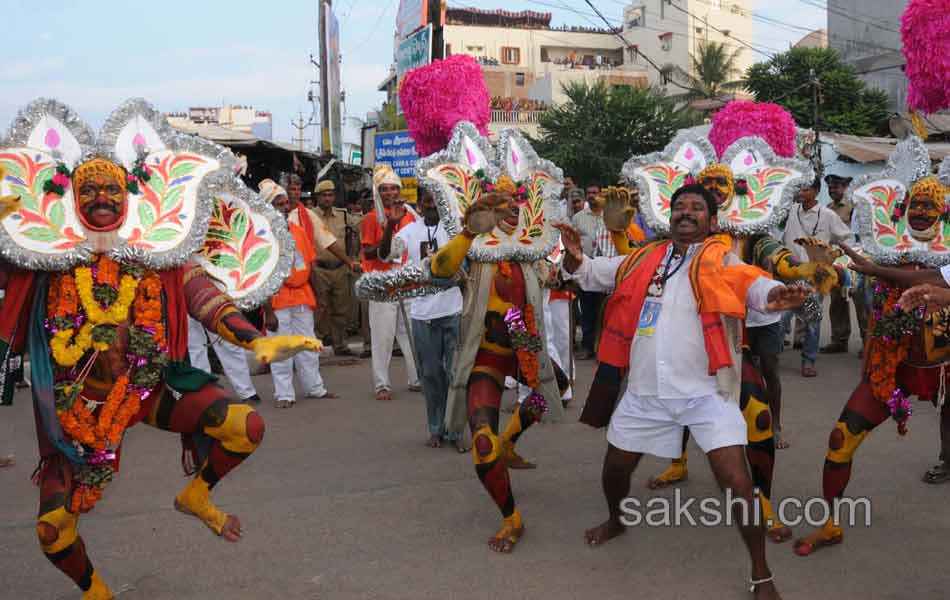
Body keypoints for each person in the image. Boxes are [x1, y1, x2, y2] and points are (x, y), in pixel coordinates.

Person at [0, 100, 321, 600]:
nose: (103, 197)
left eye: (113, 189)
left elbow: (206, 299)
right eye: (90, 189)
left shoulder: (157, 256)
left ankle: (197, 494)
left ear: (130, 200)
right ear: (71, 198)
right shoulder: (46, 261)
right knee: (52, 530)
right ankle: (96, 592)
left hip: (147, 386)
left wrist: (257, 339)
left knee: (246, 427)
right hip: (77, 406)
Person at [559, 185, 807, 600]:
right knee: (615, 471)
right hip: (644, 393)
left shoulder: (723, 260)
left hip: (706, 393)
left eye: (696, 208)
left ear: (711, 220)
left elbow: (755, 286)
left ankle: (761, 573)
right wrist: (572, 252)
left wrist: (775, 294)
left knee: (736, 481)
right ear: (669, 216)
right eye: (679, 207)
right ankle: (617, 519)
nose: (686, 213)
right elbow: (589, 272)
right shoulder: (642, 259)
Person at [794, 174, 950, 556]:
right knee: (839, 442)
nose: (920, 212)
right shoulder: (885, 244)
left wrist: (872, 269)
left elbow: (926, 276)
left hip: (946, 368)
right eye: (914, 204)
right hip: (892, 368)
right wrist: (829, 267)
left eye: (929, 206)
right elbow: (855, 268)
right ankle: (829, 525)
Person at [380, 188, 466, 451]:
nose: (432, 207)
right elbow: (385, 255)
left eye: (436, 203)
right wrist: (390, 226)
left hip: (452, 310)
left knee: (455, 375)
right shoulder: (409, 230)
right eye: (427, 203)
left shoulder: (453, 229)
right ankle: (436, 429)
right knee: (430, 375)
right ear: (419, 205)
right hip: (422, 314)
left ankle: (455, 431)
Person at [260, 179, 341, 408]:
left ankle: (315, 388)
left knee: (308, 343)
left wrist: (319, 296)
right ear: (267, 207)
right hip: (278, 297)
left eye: (286, 203)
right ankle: (284, 394)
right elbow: (262, 277)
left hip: (303, 295)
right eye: (279, 203)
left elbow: (311, 265)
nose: (286, 207)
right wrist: (268, 312)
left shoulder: (297, 231)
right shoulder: (262, 235)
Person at [780, 177, 853, 377]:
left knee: (812, 318)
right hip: (790, 271)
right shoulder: (789, 211)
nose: (800, 193)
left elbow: (846, 239)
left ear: (815, 191)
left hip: (816, 276)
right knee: (780, 316)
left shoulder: (828, 215)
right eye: (799, 189)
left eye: (804, 188)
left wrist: (835, 258)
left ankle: (808, 360)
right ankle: (771, 355)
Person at [361, 165, 420, 401]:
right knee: (383, 336)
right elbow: (367, 253)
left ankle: (417, 378)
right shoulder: (371, 218)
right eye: (384, 190)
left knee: (413, 332)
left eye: (394, 189)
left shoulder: (413, 216)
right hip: (382, 282)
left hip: (407, 280)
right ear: (377, 193)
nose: (390, 193)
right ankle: (381, 384)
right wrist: (388, 238)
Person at [312, 179, 361, 356]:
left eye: (330, 195)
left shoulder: (343, 215)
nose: (327, 198)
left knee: (341, 309)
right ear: (317, 197)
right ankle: (315, 345)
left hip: (340, 268)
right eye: (324, 195)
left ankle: (340, 345)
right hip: (318, 268)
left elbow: (357, 231)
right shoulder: (310, 216)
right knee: (319, 309)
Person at [820, 174, 867, 355]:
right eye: (830, 188)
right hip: (835, 260)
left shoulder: (854, 206)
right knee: (837, 301)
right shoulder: (827, 209)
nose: (832, 190)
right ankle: (839, 340)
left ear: (845, 187)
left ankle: (867, 341)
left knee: (860, 301)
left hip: (854, 260)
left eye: (836, 187)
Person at [187, 315, 260, 404]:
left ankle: (246, 392)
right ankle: (204, 391)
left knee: (226, 340)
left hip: (212, 303)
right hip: (184, 303)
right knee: (194, 345)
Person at [570, 184, 605, 359]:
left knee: (605, 309)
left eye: (595, 193)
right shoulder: (578, 218)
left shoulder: (609, 215)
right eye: (589, 193)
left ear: (601, 194)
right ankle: (587, 347)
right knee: (587, 310)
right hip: (586, 268)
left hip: (606, 268)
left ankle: (603, 348)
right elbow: (572, 242)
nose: (592, 196)